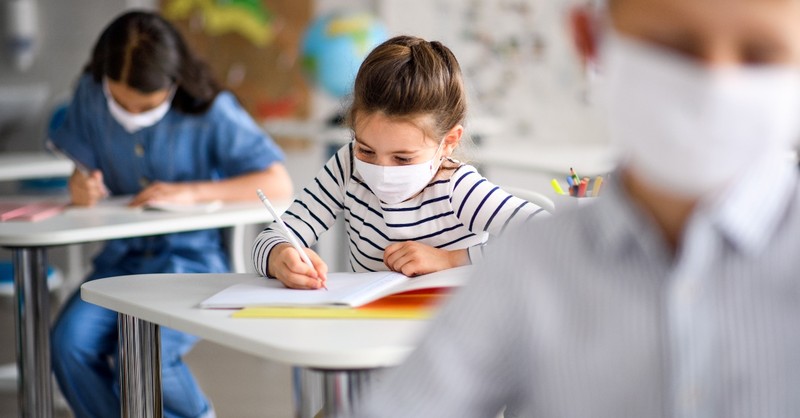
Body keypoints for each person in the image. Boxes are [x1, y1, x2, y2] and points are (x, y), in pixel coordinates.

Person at [357, 0, 800, 416]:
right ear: (592, 40)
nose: (713, 87)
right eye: (673, 46)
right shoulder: (528, 267)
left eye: (761, 55)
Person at [49, 11, 292, 418]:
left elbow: (277, 182)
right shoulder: (90, 95)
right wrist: (80, 186)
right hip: (119, 264)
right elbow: (81, 168)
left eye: (144, 105)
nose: (130, 113)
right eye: (119, 101)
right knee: (68, 344)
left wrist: (193, 191)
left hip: (190, 263)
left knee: (145, 355)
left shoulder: (211, 110)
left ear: (173, 82)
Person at [251, 35, 547, 289]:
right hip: (371, 331)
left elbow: (548, 237)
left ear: (449, 142)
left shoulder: (457, 188)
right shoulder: (346, 167)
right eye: (366, 150)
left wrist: (451, 259)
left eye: (403, 158)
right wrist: (280, 256)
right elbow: (274, 235)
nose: (381, 171)